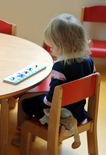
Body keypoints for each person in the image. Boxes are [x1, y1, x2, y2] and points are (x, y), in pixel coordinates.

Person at [14, 13, 95, 146]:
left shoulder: (59, 68)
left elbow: (51, 100)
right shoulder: (89, 61)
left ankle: (31, 133)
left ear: (62, 46)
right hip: (79, 111)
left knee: (26, 103)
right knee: (41, 98)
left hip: (60, 112)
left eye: (52, 46)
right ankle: (67, 124)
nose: (51, 49)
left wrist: (44, 101)